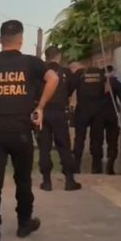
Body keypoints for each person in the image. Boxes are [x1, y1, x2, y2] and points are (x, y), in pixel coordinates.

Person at [0, 20, 59, 241]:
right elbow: (54, 79)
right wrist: (40, 107)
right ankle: (24, 224)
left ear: (0, 40)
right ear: (20, 40)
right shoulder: (31, 63)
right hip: (21, 133)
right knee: (23, 181)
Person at [37, 46, 82, 192]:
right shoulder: (65, 72)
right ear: (59, 56)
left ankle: (46, 182)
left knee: (44, 147)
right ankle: (69, 181)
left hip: (42, 111)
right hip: (59, 112)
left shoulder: (39, 71)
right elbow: (71, 89)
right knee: (64, 146)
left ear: (46, 56)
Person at [91, 66, 121, 174]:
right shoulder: (116, 84)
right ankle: (110, 167)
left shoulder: (96, 83)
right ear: (112, 72)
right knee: (112, 141)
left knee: (97, 141)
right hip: (111, 115)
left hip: (97, 116)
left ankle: (96, 168)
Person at [69, 63, 108, 173]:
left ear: (75, 68)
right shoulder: (101, 73)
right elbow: (107, 90)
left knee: (79, 139)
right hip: (99, 111)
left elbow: (70, 89)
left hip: (83, 110)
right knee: (97, 139)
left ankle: (76, 167)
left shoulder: (79, 73)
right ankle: (96, 168)